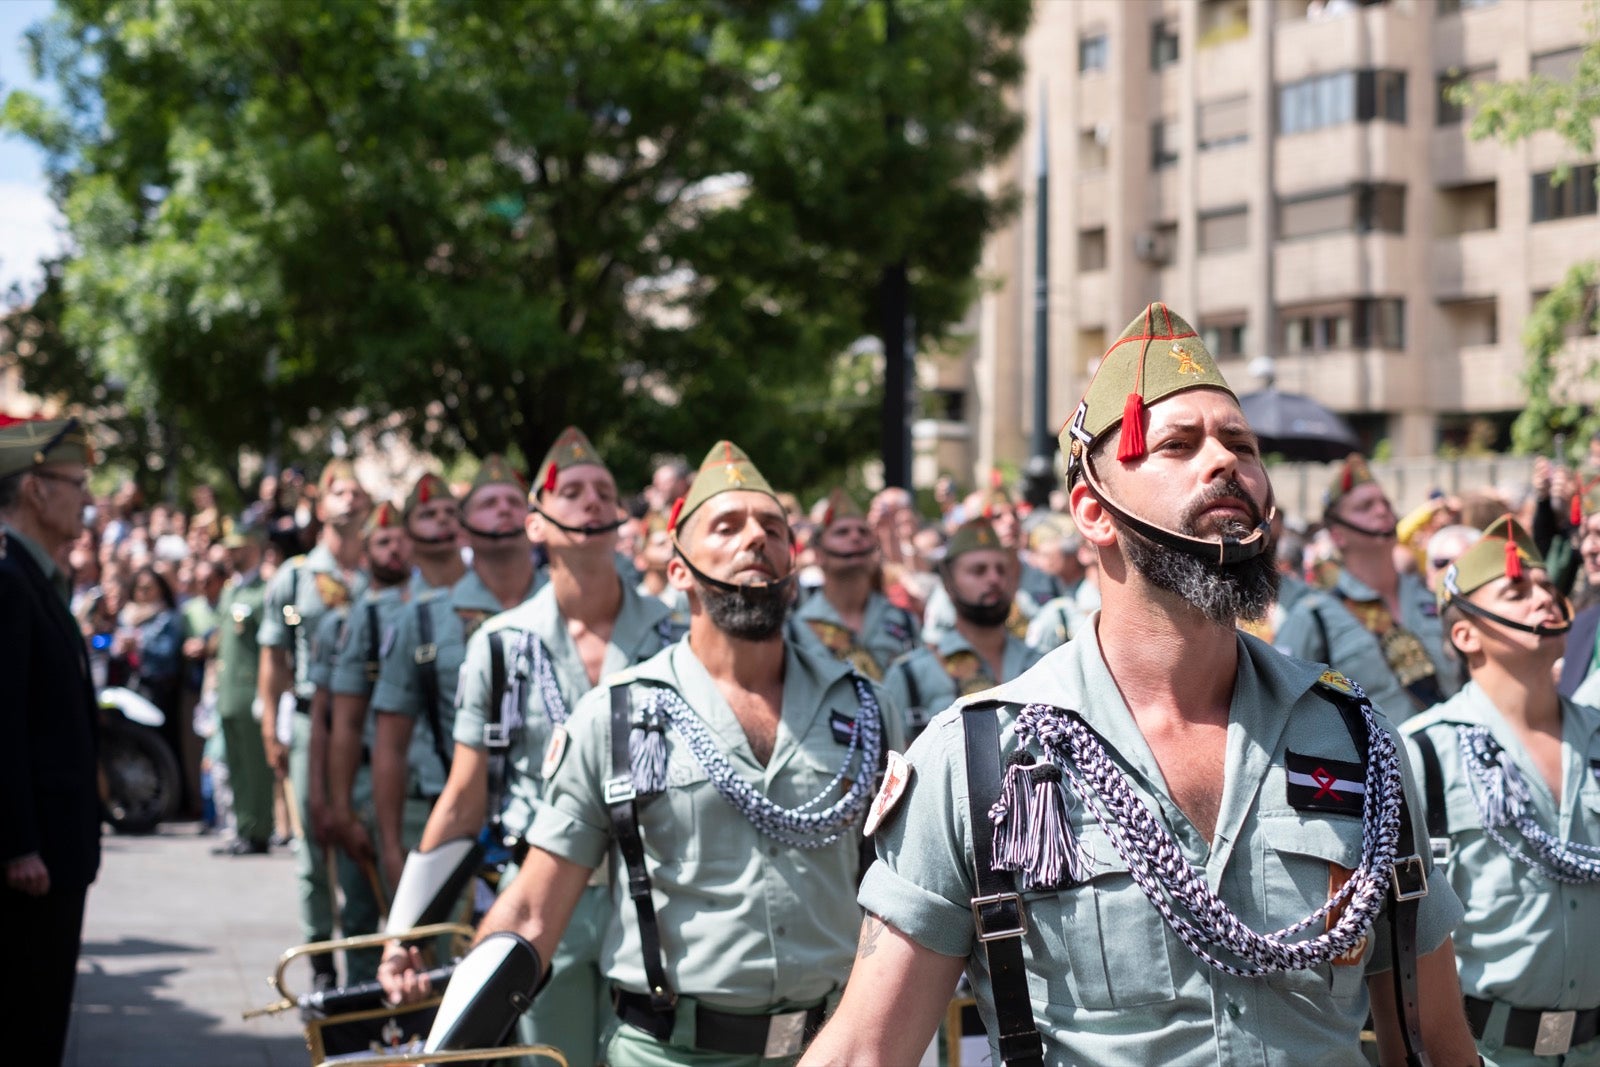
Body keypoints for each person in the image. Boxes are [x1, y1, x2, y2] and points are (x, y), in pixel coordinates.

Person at [800, 304, 1475, 1066]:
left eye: (1241, 444)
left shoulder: (1358, 742)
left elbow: (1435, 1046)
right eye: (1178, 444)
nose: (1224, 462)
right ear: (1093, 510)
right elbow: (865, 1050)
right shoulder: (978, 758)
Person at [382, 440, 903, 1067]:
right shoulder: (615, 713)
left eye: (772, 527)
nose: (755, 539)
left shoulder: (867, 709)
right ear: (678, 567)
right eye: (727, 525)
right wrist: (446, 1029)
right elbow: (530, 908)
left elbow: (903, 896)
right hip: (669, 1052)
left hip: (830, 1048)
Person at [386, 428, 680, 1067]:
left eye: (604, 492)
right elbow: (464, 797)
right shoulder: (499, 643)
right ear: (535, 525)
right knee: (552, 1059)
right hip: (545, 902)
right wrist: (404, 931)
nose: (592, 502)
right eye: (570, 492)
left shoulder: (675, 635)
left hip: (658, 898)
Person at [1402, 517, 1600, 1065]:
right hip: (1485, 1052)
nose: (1544, 596)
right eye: (1517, 590)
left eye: (1546, 587)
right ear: (1466, 634)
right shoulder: (1422, 754)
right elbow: (1401, 947)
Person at [370, 456, 540, 890]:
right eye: (488, 502)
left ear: (536, 520)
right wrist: (391, 846)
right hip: (453, 829)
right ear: (466, 529)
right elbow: (390, 740)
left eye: (513, 501)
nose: (503, 510)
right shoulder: (421, 620)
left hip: (552, 831)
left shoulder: (568, 609)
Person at [0, 415, 101, 1065]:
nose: (86, 498)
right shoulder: (10, 581)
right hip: (32, 863)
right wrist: (18, 843)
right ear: (35, 489)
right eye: (76, 482)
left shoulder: (35, 578)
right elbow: (1, 720)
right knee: (25, 1026)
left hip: (54, 848)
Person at [257, 459, 372, 991]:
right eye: (338, 491)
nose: (349, 499)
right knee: (312, 847)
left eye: (357, 492)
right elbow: (273, 658)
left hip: (371, 726)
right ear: (321, 507)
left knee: (360, 840)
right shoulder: (297, 574)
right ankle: (324, 963)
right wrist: (271, 731)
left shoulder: (382, 571)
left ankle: (364, 959)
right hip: (310, 723)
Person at [327, 478, 458, 885]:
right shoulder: (362, 618)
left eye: (399, 540)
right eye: (383, 543)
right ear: (366, 556)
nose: (395, 550)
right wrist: (340, 806)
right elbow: (343, 721)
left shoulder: (451, 602)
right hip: (401, 781)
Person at [1278, 453, 1461, 721]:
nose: (1382, 510)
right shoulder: (1314, 616)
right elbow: (1285, 706)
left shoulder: (1430, 594)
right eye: (1365, 506)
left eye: (1385, 502)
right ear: (1338, 535)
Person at [884, 518, 1042, 739]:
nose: (994, 579)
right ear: (949, 582)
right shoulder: (912, 674)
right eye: (978, 571)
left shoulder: (1041, 666)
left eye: (1001, 570)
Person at [788, 488, 918, 681]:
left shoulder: (904, 621)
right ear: (818, 554)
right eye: (842, 532)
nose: (855, 537)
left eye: (863, 532)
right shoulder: (795, 629)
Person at [211, 521, 274, 855]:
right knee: (235, 763)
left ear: (252, 548)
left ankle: (259, 829)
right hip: (227, 691)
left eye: (236, 548)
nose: (229, 554)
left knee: (254, 766)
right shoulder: (230, 590)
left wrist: (267, 696)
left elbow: (271, 649)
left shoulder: (263, 592)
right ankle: (243, 826)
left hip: (250, 691)